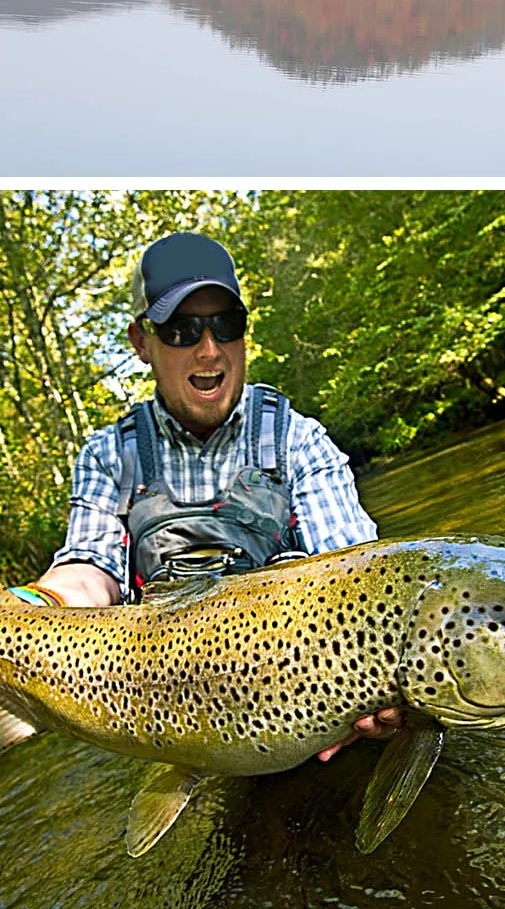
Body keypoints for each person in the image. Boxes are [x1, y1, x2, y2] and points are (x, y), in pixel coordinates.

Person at [5, 231, 399, 761]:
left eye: (225, 326)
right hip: (166, 703)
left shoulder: (297, 439)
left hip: (300, 702)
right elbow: (88, 572)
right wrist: (27, 608)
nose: (209, 349)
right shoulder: (109, 455)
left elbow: (356, 575)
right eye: (181, 331)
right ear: (143, 343)